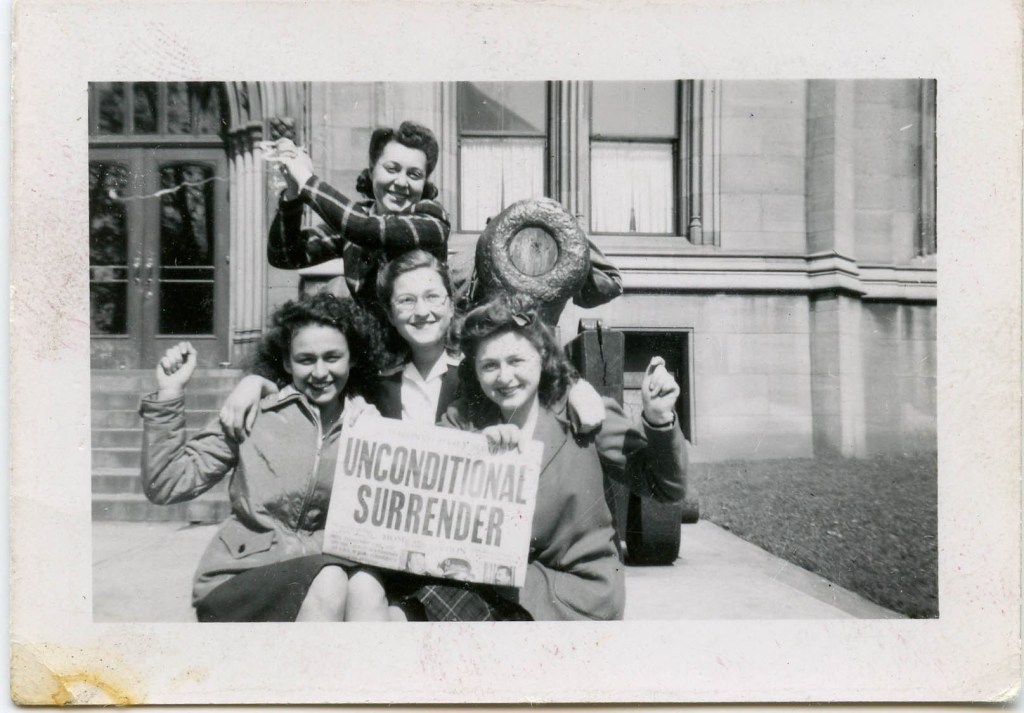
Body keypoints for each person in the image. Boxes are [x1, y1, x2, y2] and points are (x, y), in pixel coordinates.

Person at [396, 294, 689, 621]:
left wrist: (660, 419)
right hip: (496, 581)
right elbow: (424, 496)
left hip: (576, 594)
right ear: (475, 370)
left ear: (542, 356)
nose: (504, 377)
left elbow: (665, 488)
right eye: (490, 365)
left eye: (516, 361)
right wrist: (478, 453)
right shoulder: (462, 420)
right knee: (402, 614)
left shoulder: (584, 414)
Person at [139, 293, 395, 622]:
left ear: (352, 358)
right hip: (244, 571)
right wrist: (170, 393)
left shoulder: (366, 423)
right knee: (330, 580)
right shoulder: (254, 412)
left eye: (332, 357)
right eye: (306, 359)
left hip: (322, 569)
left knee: (367, 586)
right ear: (287, 362)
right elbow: (166, 483)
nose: (320, 372)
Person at [220, 250, 607, 439]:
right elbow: (313, 376)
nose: (421, 312)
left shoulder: (483, 367)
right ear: (389, 314)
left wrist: (575, 387)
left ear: (450, 303)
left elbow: (532, 368)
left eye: (432, 297)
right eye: (406, 301)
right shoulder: (372, 376)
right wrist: (256, 381)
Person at [266, 121, 450, 305]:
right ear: (371, 171)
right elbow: (283, 255)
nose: (402, 182)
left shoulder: (433, 218)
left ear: (424, 182)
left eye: (414, 174)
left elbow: (364, 228)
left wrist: (305, 178)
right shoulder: (357, 219)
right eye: (392, 169)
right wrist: (292, 192)